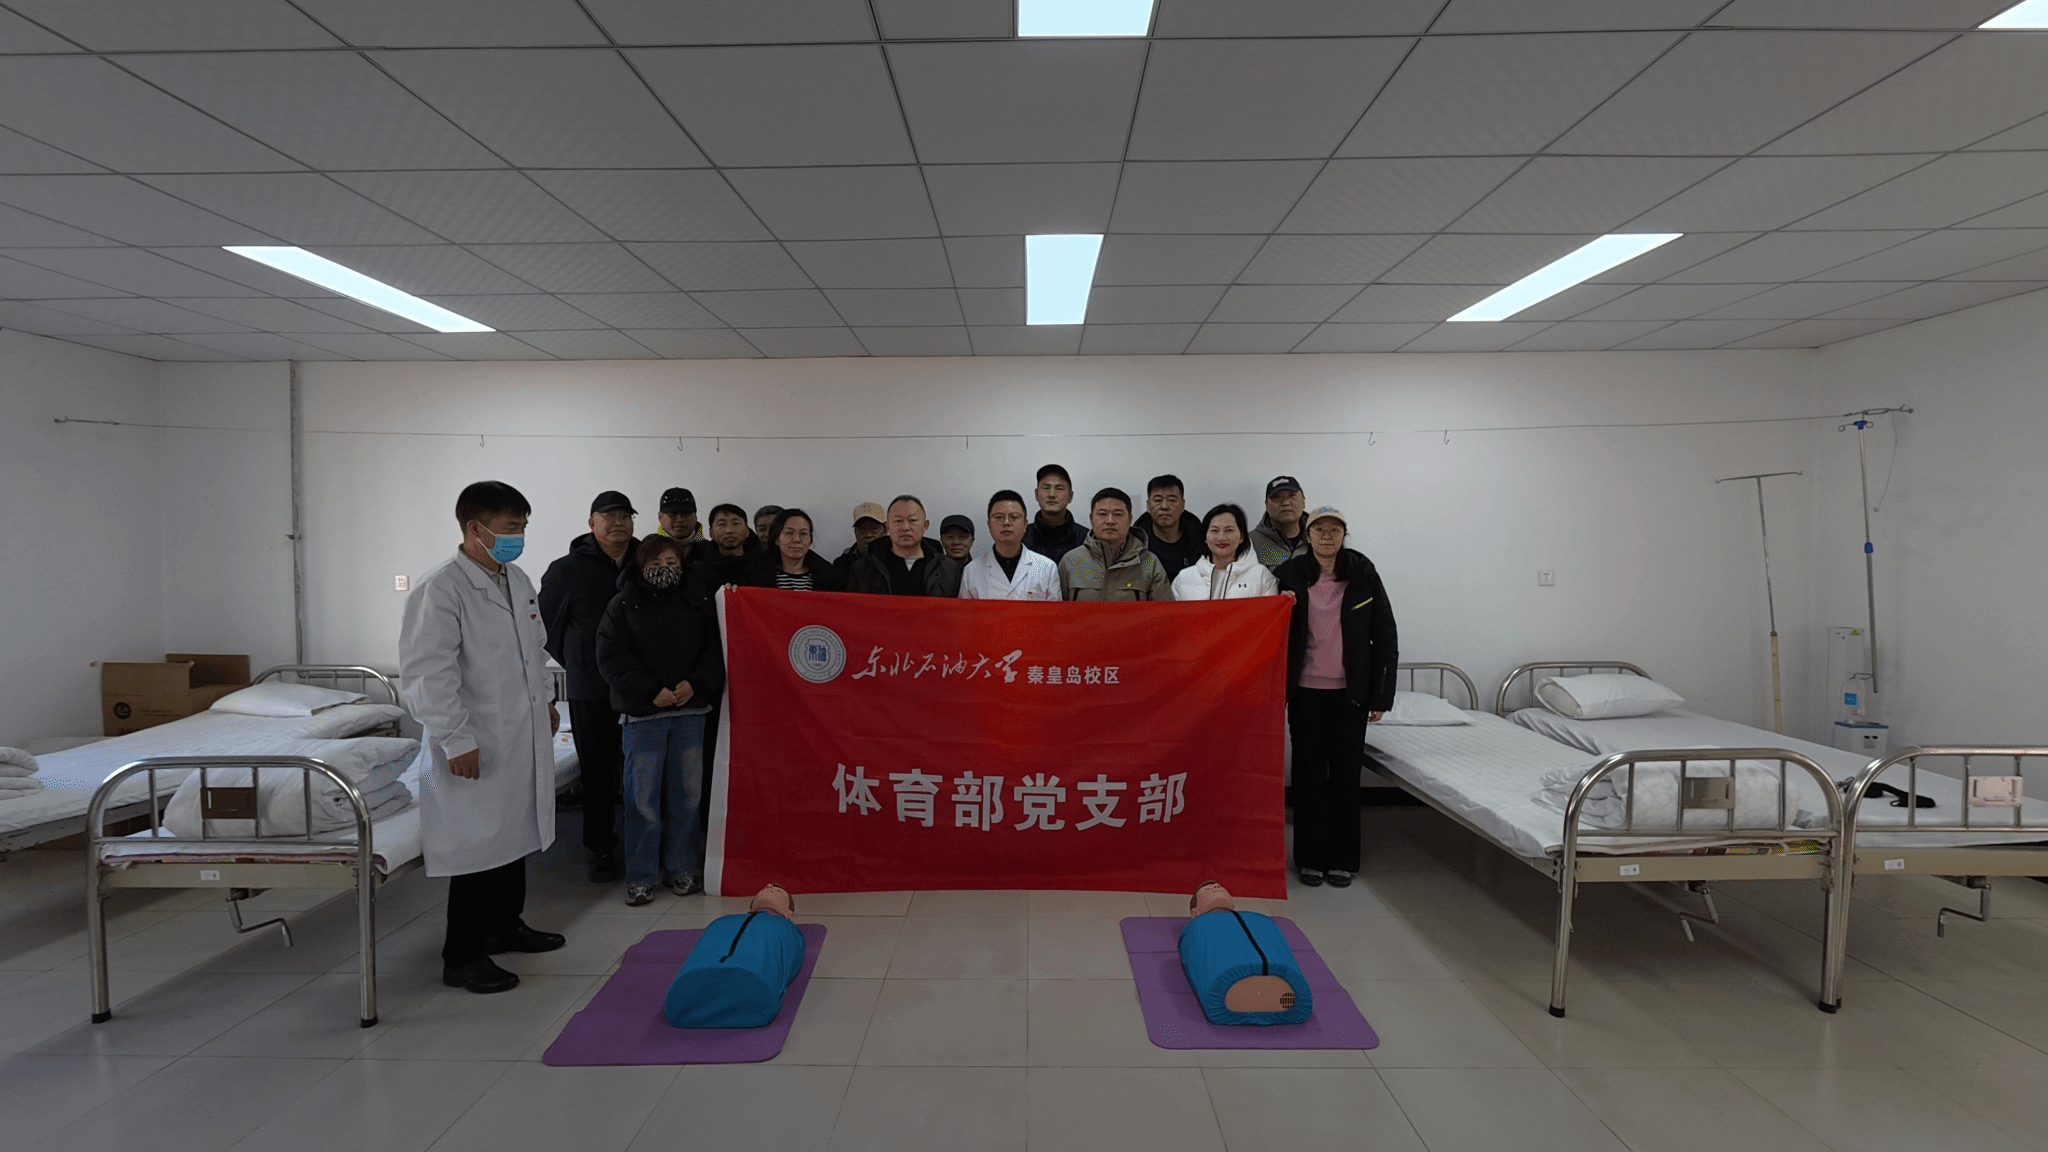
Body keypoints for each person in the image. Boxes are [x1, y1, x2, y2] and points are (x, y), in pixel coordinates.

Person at [400, 481, 566, 995]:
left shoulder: (516, 579)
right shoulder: (441, 589)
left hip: (519, 733)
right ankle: (462, 955)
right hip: (475, 740)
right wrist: (455, 739)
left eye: (523, 527)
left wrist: (546, 700)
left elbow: (534, 650)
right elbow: (428, 675)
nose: (519, 537)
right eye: (510, 528)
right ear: (476, 528)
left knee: (514, 831)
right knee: (475, 845)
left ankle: (504, 926)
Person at [595, 534, 724, 906]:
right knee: (642, 800)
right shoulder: (621, 604)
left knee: (688, 797)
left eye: (671, 563)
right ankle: (641, 876)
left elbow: (715, 650)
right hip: (643, 715)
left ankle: (682, 869)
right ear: (640, 566)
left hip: (691, 712)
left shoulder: (699, 600)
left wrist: (695, 684)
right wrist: (651, 690)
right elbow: (611, 657)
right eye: (655, 564)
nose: (664, 570)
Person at [1273, 507, 1397, 890]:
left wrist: (1380, 695)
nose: (1327, 536)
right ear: (1307, 535)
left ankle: (1342, 859)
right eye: (1319, 530)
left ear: (1344, 535)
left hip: (1350, 695)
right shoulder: (1289, 575)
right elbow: (1270, 630)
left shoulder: (1363, 574)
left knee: (1345, 777)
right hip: (1305, 692)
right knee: (1308, 776)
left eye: (1334, 530)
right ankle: (1310, 859)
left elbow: (1385, 635)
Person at [539, 490, 639, 884]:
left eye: (625, 516)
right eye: (608, 516)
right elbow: (544, 632)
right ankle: (601, 848)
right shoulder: (566, 570)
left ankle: (643, 847)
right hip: (591, 688)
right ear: (591, 523)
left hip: (641, 687)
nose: (618, 523)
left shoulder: (644, 560)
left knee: (642, 770)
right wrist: (580, 662)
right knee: (597, 771)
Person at [662, 884, 806, 1028]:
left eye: (777, 890)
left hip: (747, 981)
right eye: (764, 889)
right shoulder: (722, 921)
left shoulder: (787, 929)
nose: (769, 887)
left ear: (789, 914)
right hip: (751, 986)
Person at [1177, 881, 1313, 1024]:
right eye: (1209, 889)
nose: (1216, 887)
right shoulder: (1197, 928)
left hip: (1239, 989)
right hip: (1228, 984)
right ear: (1194, 912)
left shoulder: (1259, 920)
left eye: (1220, 886)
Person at [1060, 488, 1174, 602]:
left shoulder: (1149, 562)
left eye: (1118, 514)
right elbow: (1058, 609)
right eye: (1103, 514)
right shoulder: (1070, 561)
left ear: (1130, 519)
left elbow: (1164, 611)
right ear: (1091, 518)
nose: (1110, 521)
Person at [846, 495, 962, 597]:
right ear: (888, 527)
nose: (905, 527)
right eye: (898, 521)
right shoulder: (862, 568)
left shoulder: (948, 569)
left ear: (925, 525)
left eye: (912, 520)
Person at [959, 489, 1061, 601]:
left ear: (1025, 525)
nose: (1006, 522)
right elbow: (965, 612)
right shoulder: (971, 571)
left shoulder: (1047, 568)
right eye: (998, 517)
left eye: (1014, 517)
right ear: (989, 525)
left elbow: (1054, 612)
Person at [1173, 503, 1281, 601]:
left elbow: (1271, 614)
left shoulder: (1261, 576)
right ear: (1205, 537)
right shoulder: (1184, 578)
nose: (1221, 537)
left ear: (1241, 537)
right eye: (1214, 530)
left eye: (1229, 530)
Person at [742, 508, 843, 591]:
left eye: (803, 534)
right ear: (777, 539)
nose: (797, 540)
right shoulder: (753, 578)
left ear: (810, 540)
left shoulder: (832, 580)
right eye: (789, 533)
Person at [1132, 474, 1205, 582]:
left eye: (1172, 500)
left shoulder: (1202, 543)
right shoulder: (1134, 544)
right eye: (1158, 500)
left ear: (1182, 505)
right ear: (1148, 505)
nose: (1164, 506)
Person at [1022, 464, 1088, 562]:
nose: (1052, 494)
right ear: (1036, 494)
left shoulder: (1087, 539)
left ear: (1070, 496)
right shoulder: (1021, 537)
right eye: (1046, 488)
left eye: (1059, 488)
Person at [692, 502, 759, 586]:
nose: (729, 530)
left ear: (747, 531)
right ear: (711, 533)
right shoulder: (698, 570)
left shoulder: (762, 565)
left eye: (736, 523)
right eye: (721, 524)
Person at [1251, 476, 1309, 570]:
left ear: (1303, 502)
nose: (1286, 503)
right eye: (1277, 497)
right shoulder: (1249, 543)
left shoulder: (1320, 539)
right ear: (1266, 505)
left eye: (1292, 495)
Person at [831, 501, 887, 585]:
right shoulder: (841, 565)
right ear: (855, 533)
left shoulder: (898, 562)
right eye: (862, 529)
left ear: (886, 530)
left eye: (874, 528)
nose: (868, 535)